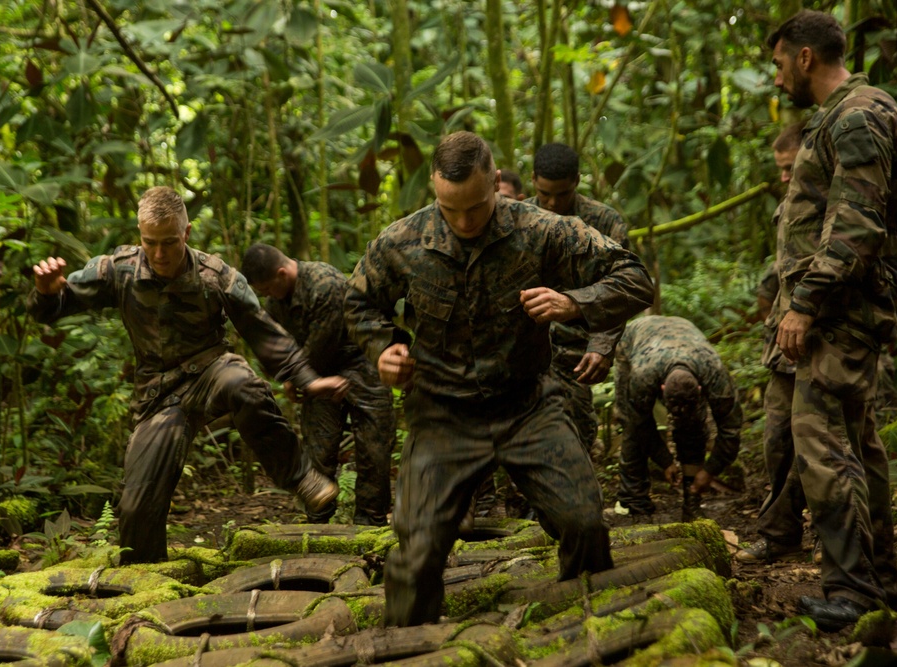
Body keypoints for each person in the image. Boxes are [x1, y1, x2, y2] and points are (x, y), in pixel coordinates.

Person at [344, 131, 654, 627]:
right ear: (434, 189)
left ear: (496, 182)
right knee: (416, 550)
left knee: (584, 523)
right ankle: (410, 647)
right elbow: (358, 303)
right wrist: (385, 349)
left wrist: (575, 303)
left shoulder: (542, 229)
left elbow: (636, 279)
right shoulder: (401, 242)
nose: (465, 222)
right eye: (451, 209)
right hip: (442, 413)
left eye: (477, 207)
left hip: (526, 406)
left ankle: (584, 630)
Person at [28, 187, 346, 564]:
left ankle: (300, 478)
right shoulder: (119, 270)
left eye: (169, 242)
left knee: (243, 385)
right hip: (158, 395)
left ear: (187, 233)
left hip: (211, 370)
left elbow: (264, 334)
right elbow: (56, 306)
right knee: (136, 508)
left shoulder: (217, 276)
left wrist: (308, 379)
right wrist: (46, 293)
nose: (159, 254)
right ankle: (147, 579)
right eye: (150, 243)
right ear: (139, 235)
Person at [768, 10, 897, 630]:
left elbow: (857, 224)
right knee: (856, 445)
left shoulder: (856, 115)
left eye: (778, 65)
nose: (777, 82)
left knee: (824, 446)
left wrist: (805, 303)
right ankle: (878, 585)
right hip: (842, 310)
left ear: (805, 58)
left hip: (840, 312)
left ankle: (854, 591)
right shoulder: (851, 114)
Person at [241, 244, 396, 526]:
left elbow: (323, 343)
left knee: (374, 450)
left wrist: (299, 376)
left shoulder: (324, 283)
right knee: (319, 453)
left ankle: (370, 522)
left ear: (281, 273)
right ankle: (317, 522)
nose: (266, 296)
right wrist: (292, 378)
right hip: (317, 377)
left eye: (266, 289)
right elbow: (277, 346)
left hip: (360, 367)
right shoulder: (276, 303)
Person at [736, 121, 814, 565]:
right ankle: (781, 533)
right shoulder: (789, 205)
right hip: (783, 344)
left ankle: (834, 540)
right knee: (777, 440)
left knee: (822, 444)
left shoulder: (831, 202)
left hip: (821, 339)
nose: (783, 177)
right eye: (780, 169)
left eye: (789, 168)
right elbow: (780, 267)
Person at [525, 142, 631, 453]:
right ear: (533, 180)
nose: (553, 202)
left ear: (577, 181)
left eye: (562, 193)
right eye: (545, 194)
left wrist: (602, 345)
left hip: (576, 349)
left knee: (577, 437)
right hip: (525, 347)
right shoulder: (517, 219)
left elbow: (621, 288)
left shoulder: (605, 222)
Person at [614, 316, 742, 523]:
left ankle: (692, 500)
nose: (676, 414)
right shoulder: (643, 375)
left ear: (700, 389)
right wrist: (665, 461)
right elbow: (640, 425)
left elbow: (731, 430)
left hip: (685, 337)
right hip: (634, 339)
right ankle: (633, 500)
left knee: (693, 424)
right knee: (631, 422)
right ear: (661, 389)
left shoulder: (714, 373)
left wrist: (709, 471)